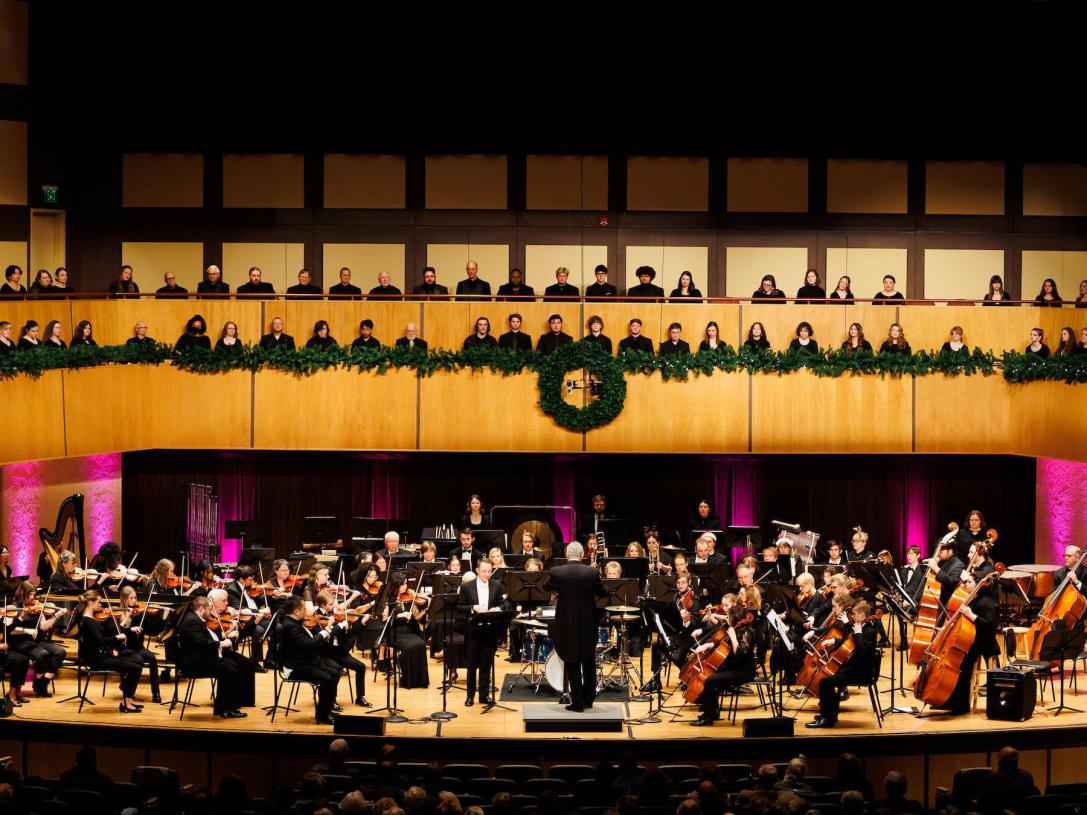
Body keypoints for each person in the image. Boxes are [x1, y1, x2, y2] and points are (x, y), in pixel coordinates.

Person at [545, 542, 607, 712]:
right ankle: (589, 699)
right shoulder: (591, 572)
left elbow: (546, 587)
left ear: (566, 555)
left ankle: (577, 702)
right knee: (588, 659)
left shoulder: (557, 572)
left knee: (571, 659)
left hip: (566, 623)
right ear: (582, 555)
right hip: (588, 623)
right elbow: (603, 592)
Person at [805, 598, 878, 728]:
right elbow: (847, 641)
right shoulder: (859, 627)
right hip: (851, 668)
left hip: (860, 672)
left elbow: (862, 651)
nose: (852, 617)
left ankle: (827, 719)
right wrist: (833, 640)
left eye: (854, 614)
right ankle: (830, 714)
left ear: (862, 615)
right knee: (826, 678)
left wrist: (858, 634)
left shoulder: (870, 632)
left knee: (825, 682)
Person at [177, 595, 251, 718]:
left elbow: (205, 640)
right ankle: (227, 708)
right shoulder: (192, 621)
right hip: (194, 662)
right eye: (209, 609)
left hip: (200, 657)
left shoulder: (196, 618)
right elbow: (202, 643)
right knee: (230, 670)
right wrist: (222, 644)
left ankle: (222, 707)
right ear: (201, 609)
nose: (211, 611)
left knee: (232, 666)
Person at [277, 596, 344, 724]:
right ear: (297, 611)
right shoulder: (290, 626)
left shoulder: (296, 622)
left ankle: (327, 708)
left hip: (306, 661)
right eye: (304, 608)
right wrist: (324, 632)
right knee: (327, 678)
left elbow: (307, 644)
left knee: (335, 673)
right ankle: (322, 715)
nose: (307, 611)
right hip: (295, 667)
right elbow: (308, 645)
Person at [941, 570, 999, 715]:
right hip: (973, 638)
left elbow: (990, 625)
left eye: (969, 581)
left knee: (961, 665)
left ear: (979, 584)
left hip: (984, 642)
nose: (965, 584)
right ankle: (950, 701)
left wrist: (970, 615)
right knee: (956, 662)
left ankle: (961, 706)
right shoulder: (974, 598)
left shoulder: (987, 602)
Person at [689, 607, 759, 726]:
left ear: (734, 618)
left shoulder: (747, 633)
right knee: (708, 675)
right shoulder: (735, 628)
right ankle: (713, 710)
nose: (726, 618)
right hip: (733, 666)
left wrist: (733, 637)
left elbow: (739, 656)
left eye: (728, 616)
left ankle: (709, 716)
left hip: (743, 671)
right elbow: (722, 643)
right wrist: (707, 645)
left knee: (710, 680)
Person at [77, 590, 144, 712]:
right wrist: (117, 638)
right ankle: (126, 702)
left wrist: (127, 630)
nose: (100, 605)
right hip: (96, 660)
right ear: (91, 602)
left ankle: (128, 699)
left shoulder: (92, 619)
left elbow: (109, 633)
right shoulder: (87, 621)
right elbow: (101, 641)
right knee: (135, 668)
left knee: (137, 664)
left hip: (104, 657)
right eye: (98, 602)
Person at [458, 558, 508, 706]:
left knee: (486, 665)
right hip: (473, 630)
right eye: (484, 571)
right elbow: (460, 607)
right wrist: (473, 607)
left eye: (489, 571)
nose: (487, 574)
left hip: (490, 630)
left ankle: (484, 696)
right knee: (472, 665)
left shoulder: (497, 585)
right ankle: (470, 696)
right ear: (477, 570)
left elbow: (502, 604)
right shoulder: (467, 587)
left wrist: (498, 608)